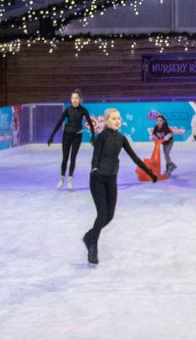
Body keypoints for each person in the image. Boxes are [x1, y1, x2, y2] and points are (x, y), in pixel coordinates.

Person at [83, 108, 160, 265]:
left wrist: (149, 173)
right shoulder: (101, 137)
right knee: (102, 214)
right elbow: (96, 155)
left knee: (110, 216)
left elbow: (134, 157)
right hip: (97, 179)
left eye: (119, 118)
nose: (117, 121)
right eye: (113, 118)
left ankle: (89, 236)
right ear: (106, 121)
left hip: (111, 179)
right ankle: (92, 247)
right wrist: (95, 169)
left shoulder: (121, 138)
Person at [47, 92, 91, 191]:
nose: (74, 100)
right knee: (65, 158)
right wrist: (52, 135)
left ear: (80, 99)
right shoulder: (68, 110)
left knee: (73, 158)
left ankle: (70, 179)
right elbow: (59, 123)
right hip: (67, 135)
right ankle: (62, 178)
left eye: (76, 98)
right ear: (71, 99)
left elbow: (90, 124)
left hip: (77, 137)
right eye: (72, 98)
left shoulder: (83, 110)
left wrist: (93, 136)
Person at [152, 113, 177, 177]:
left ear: (163, 121)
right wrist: (153, 137)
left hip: (169, 142)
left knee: (166, 154)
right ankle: (172, 165)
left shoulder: (165, 127)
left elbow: (171, 133)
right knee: (166, 155)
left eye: (160, 121)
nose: (159, 122)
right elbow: (154, 134)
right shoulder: (156, 127)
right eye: (157, 120)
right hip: (163, 143)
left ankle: (168, 169)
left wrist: (167, 136)